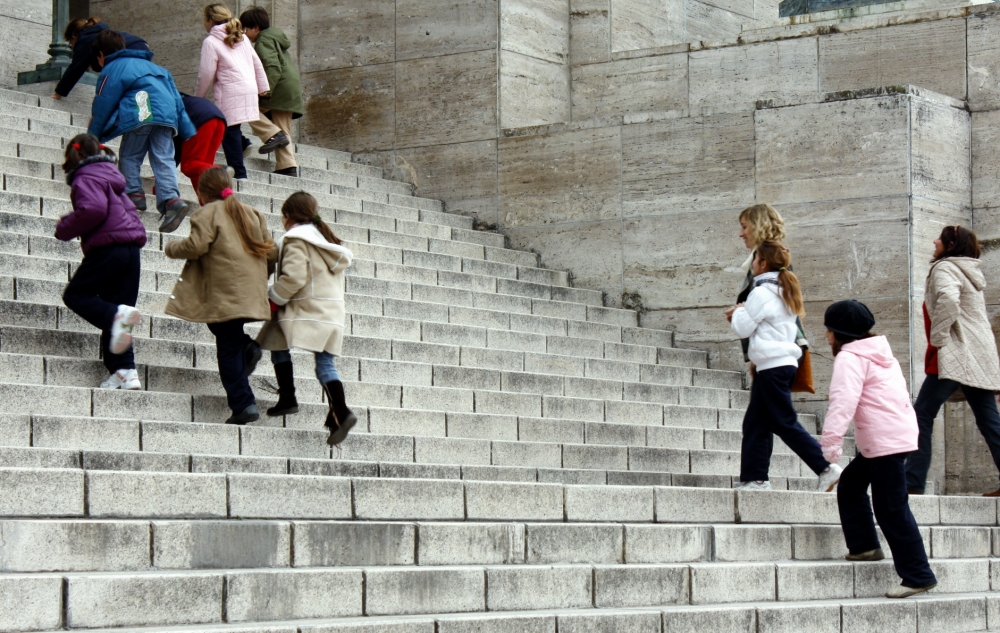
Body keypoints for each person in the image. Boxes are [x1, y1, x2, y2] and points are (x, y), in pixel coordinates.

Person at [821, 300, 938, 599]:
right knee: (850, 485)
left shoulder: (850, 358)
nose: (825, 336)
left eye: (828, 330)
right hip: (893, 434)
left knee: (891, 507)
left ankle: (918, 575)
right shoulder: (879, 352)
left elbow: (842, 402)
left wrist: (831, 445)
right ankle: (864, 546)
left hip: (884, 439)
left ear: (838, 332)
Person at [163, 167, 276, 425]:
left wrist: (171, 248)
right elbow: (272, 252)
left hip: (226, 290)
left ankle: (243, 404)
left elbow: (196, 246)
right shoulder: (252, 213)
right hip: (249, 287)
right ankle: (248, 346)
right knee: (223, 330)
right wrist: (260, 279)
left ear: (201, 194)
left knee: (227, 349)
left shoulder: (207, 213)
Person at [726, 241, 842, 492]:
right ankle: (755, 478)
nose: (752, 265)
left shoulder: (761, 292)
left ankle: (825, 467)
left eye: (754, 260)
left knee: (782, 421)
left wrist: (738, 312)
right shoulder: (783, 289)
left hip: (773, 365)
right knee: (756, 422)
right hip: (780, 364)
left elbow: (742, 328)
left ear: (763, 263)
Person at [905, 225, 1000, 496]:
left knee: (921, 414)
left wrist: (938, 338)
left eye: (940, 238)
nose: (934, 241)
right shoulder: (970, 272)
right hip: (978, 354)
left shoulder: (945, 268)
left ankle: (912, 482)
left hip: (956, 353)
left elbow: (948, 300)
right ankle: (911, 481)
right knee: (989, 420)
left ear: (950, 245)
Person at [257, 192, 357, 445]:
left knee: (275, 335)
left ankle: (292, 397)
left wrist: (272, 299)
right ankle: (338, 413)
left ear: (287, 216)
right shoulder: (325, 240)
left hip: (306, 308)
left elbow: (293, 278)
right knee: (324, 364)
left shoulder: (296, 240)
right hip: (330, 312)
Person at [56, 134, 147, 390]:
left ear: (76, 156)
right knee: (118, 308)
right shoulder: (112, 177)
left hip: (109, 248)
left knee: (77, 295)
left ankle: (118, 318)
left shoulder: (85, 177)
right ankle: (125, 370)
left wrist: (64, 227)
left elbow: (93, 210)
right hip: (131, 249)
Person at [87, 29, 196, 233]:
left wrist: (92, 136)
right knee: (164, 157)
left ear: (101, 54)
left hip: (142, 110)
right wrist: (187, 128)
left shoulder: (112, 68)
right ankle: (172, 200)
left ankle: (133, 194)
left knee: (130, 155)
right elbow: (177, 101)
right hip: (167, 116)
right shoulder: (158, 68)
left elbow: (103, 103)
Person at [196, 4, 282, 181]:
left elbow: (205, 73)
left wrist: (199, 98)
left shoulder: (211, 42)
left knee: (227, 129)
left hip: (230, 89)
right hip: (248, 87)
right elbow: (256, 62)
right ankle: (244, 144)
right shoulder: (240, 37)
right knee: (230, 126)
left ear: (210, 21)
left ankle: (240, 173)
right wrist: (262, 86)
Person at [736, 204, 809, 362]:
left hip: (773, 351)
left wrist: (741, 311)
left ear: (758, 226)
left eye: (744, 227)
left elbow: (773, 307)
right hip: (776, 349)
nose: (740, 234)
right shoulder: (774, 255)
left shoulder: (767, 258)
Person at [239, 6, 301, 177]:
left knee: (248, 108)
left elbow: (272, 66)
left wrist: (266, 90)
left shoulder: (263, 41)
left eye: (245, 29)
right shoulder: (275, 38)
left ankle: (272, 135)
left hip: (278, 87)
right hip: (289, 89)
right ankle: (287, 166)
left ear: (256, 28)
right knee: (282, 128)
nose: (243, 33)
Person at [52, 17, 150, 100]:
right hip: (142, 46)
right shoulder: (96, 34)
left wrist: (58, 94)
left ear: (73, 37)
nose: (72, 46)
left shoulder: (84, 39)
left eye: (70, 43)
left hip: (129, 49)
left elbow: (75, 68)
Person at [175, 93, 227, 194]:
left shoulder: (165, 102)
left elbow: (171, 150)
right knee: (201, 170)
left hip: (200, 120)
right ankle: (210, 204)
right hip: (219, 120)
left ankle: (220, 169)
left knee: (189, 166)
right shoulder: (180, 97)